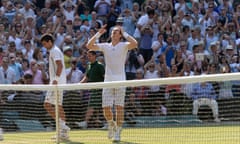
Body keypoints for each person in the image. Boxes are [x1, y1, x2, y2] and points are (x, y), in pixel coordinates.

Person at [86, 24, 138, 142]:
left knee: (119, 108)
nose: (113, 33)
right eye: (112, 32)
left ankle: (118, 131)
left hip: (120, 80)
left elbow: (135, 43)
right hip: (108, 80)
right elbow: (89, 45)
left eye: (116, 32)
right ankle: (111, 124)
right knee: (106, 108)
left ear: (120, 35)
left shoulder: (124, 45)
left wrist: (125, 34)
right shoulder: (105, 46)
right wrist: (98, 33)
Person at [40, 33, 70, 141]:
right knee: (58, 106)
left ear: (50, 42)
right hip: (58, 82)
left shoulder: (54, 51)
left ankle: (62, 127)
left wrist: (56, 80)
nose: (44, 46)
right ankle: (63, 132)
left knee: (47, 105)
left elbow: (60, 65)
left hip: (57, 83)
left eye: (45, 44)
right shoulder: (54, 50)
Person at [75, 50, 105, 128]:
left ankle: (86, 122)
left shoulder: (100, 65)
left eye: (90, 56)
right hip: (93, 90)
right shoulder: (88, 65)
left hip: (100, 90)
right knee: (98, 107)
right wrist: (79, 84)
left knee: (94, 106)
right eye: (88, 56)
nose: (88, 57)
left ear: (95, 56)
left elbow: (105, 77)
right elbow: (86, 77)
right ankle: (107, 123)